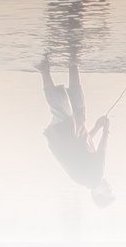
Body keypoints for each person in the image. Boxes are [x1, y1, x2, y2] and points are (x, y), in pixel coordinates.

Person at [38, 50, 114, 207]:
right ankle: (72, 61)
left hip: (66, 136)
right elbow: (85, 148)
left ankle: (47, 68)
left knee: (61, 103)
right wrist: (96, 128)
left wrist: (106, 131)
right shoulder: (88, 178)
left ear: (95, 193)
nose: (110, 187)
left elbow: (101, 153)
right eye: (111, 191)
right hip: (74, 134)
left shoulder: (95, 179)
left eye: (107, 192)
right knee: (76, 100)